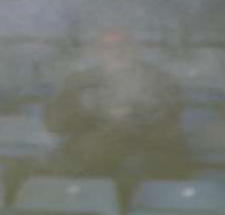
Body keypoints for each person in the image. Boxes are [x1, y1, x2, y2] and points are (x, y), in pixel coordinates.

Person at [43, 27, 190, 191]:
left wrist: (131, 113)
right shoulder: (79, 81)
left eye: (123, 45)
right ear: (98, 52)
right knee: (50, 166)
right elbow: (53, 122)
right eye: (108, 47)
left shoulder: (160, 79)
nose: (116, 52)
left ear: (135, 49)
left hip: (145, 155)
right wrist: (87, 106)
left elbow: (166, 114)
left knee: (131, 165)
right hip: (89, 158)